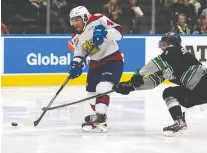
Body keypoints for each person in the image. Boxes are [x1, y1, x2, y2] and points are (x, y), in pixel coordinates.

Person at [113, 32, 207, 136]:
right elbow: (153, 81)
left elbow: (155, 63)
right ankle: (179, 123)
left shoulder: (175, 50)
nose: (162, 47)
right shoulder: (169, 61)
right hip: (197, 92)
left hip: (204, 83)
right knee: (169, 93)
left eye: (164, 44)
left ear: (171, 44)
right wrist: (132, 87)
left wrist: (139, 74)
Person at [69, 6, 124, 132]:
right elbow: (79, 55)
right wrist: (75, 66)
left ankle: (101, 117)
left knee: (103, 87)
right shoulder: (76, 37)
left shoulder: (98, 19)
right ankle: (97, 117)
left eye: (77, 19)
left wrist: (105, 33)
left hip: (112, 59)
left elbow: (120, 32)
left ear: (84, 17)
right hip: (95, 64)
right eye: (73, 20)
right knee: (91, 94)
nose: (75, 23)